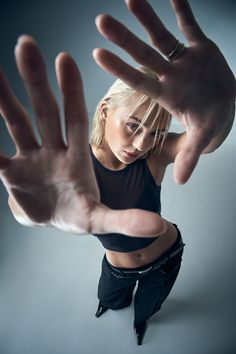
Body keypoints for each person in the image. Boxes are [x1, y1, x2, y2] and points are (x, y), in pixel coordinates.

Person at [0, 0, 234, 347]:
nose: (140, 144)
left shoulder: (153, 157)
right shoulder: (75, 168)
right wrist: (25, 212)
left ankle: (142, 322)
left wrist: (225, 106)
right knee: (111, 298)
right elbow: (27, 208)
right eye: (133, 126)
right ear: (106, 111)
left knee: (147, 311)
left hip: (166, 257)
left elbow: (207, 141)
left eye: (153, 133)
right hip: (116, 267)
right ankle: (113, 302)